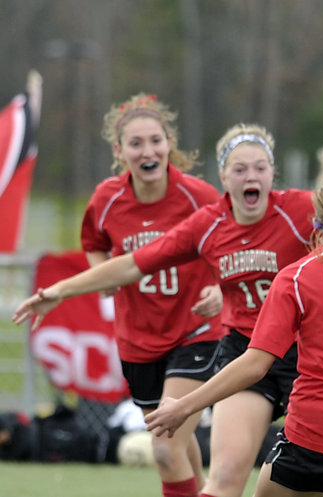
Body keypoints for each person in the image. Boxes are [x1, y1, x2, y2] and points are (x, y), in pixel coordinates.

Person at [14, 122, 323, 497]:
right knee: (224, 477)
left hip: (309, 356)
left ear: (272, 173)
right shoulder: (208, 224)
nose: (250, 176)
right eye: (239, 169)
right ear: (223, 176)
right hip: (248, 352)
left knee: (319, 472)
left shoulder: (297, 209)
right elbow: (132, 264)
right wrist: (62, 290)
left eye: (259, 167)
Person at [144, 182, 323, 497]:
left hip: (320, 436)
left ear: (316, 225)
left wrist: (184, 406)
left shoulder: (297, 277)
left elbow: (255, 364)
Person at [25, 92, 227, 497]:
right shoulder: (107, 199)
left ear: (169, 143)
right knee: (177, 441)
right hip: (139, 338)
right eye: (136, 143)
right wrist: (102, 270)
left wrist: (220, 289)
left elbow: (233, 244)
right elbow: (93, 241)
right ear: (119, 151)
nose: (147, 150)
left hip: (196, 333)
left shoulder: (199, 196)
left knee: (165, 446)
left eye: (155, 140)